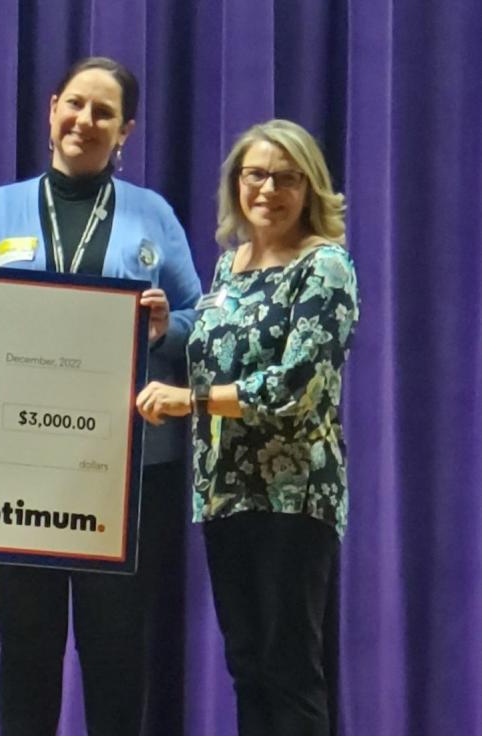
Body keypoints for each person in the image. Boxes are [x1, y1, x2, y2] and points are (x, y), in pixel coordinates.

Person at [0, 57, 202, 735]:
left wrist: (162, 327)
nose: (85, 122)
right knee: (27, 652)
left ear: (126, 131)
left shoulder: (153, 215)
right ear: (51, 108)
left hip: (129, 475)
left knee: (117, 652)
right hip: (18, 470)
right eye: (76, 105)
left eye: (104, 113)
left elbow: (201, 319)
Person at [136, 119, 358, 736]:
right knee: (248, 666)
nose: (268, 189)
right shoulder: (227, 267)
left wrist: (191, 401)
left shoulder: (327, 267)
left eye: (286, 178)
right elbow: (211, 355)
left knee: (290, 668)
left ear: (310, 188)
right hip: (224, 493)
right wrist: (158, 329)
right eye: (255, 175)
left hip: (294, 496)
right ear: (236, 183)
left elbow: (295, 389)